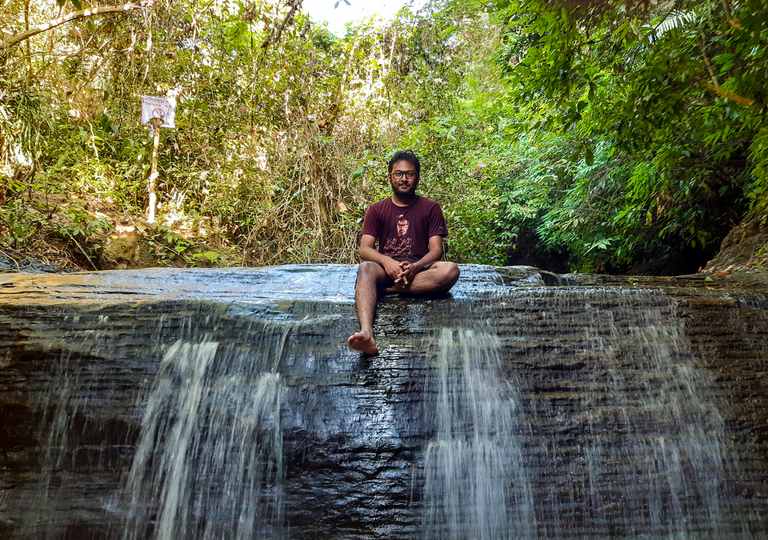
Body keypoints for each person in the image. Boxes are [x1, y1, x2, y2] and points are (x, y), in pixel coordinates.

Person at [348, 151, 460, 355]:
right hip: (385, 269)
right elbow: (365, 249)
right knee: (365, 268)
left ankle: (387, 290)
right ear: (390, 177)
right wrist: (387, 261)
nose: (404, 179)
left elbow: (436, 250)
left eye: (409, 174)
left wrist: (416, 266)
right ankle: (367, 333)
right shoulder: (377, 209)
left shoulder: (431, 208)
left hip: (419, 269)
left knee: (450, 270)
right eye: (398, 174)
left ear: (417, 177)